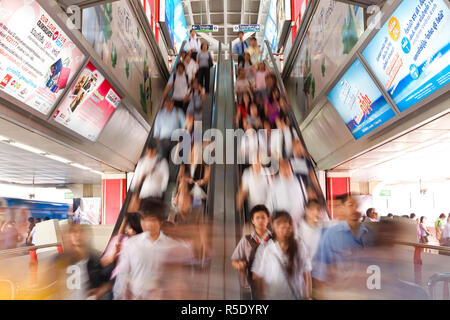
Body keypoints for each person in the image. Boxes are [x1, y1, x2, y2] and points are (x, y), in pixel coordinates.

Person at [113, 201, 193, 299]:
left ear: (161, 221)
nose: (148, 224)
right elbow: (122, 275)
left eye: (152, 220)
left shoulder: (172, 246)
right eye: (144, 220)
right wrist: (118, 296)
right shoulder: (131, 244)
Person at [312, 194, 374, 299]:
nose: (355, 209)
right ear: (343, 208)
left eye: (358, 206)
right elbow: (320, 273)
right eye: (351, 205)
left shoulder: (371, 235)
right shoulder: (330, 234)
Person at [252, 210, 312, 300]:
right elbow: (259, 277)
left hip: (296, 296)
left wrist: (307, 296)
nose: (284, 230)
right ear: (273, 227)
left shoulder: (299, 246)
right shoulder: (267, 250)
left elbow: (306, 273)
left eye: (287, 227)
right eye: (280, 226)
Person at [52, 224, 109, 300]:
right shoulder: (59, 260)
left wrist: (101, 291)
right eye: (74, 231)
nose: (78, 235)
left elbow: (108, 280)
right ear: (68, 236)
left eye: (81, 231)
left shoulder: (95, 260)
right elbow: (49, 286)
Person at [98, 212, 143, 300]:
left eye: (134, 228)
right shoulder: (119, 240)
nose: (131, 231)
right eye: (129, 227)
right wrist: (114, 254)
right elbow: (103, 263)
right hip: (117, 283)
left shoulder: (144, 242)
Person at [231, 205, 272, 300]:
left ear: (268, 219)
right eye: (257, 218)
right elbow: (234, 260)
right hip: (253, 282)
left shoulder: (274, 239)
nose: (261, 220)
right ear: (253, 221)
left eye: (263, 217)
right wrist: (239, 265)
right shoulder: (246, 240)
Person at [266, 158, 307, 230]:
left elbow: (305, 199)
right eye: (283, 167)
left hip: (298, 220)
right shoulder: (274, 183)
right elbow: (269, 203)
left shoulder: (299, 181)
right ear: (279, 169)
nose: (286, 169)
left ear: (291, 168)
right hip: (281, 222)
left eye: (287, 167)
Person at [129, 139, 169, 205]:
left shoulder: (161, 161)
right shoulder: (141, 162)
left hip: (156, 194)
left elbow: (166, 177)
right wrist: (134, 186)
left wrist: (162, 189)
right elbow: (136, 177)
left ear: (155, 150)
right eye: (148, 150)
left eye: (152, 150)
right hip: (144, 193)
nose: (150, 153)